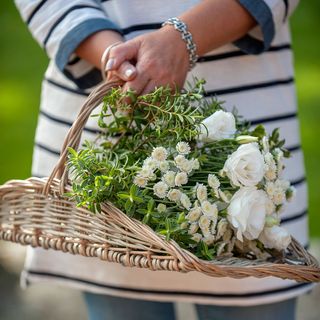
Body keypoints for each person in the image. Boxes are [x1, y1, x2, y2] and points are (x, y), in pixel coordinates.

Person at [15, 0, 312, 319]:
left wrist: (183, 40)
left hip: (246, 142)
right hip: (106, 141)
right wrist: (118, 59)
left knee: (251, 267)